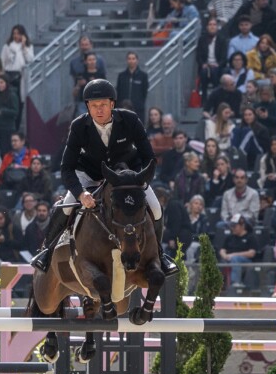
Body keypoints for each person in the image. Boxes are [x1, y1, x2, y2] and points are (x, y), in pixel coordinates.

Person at [30, 78, 175, 276]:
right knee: (66, 206)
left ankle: (160, 254)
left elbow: (149, 159)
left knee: (156, 208)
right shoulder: (79, 126)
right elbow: (66, 168)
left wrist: (139, 183)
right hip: (90, 175)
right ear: (88, 107)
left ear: (112, 104)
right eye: (94, 105)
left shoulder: (130, 120)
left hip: (128, 178)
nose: (99, 110)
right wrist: (81, 194)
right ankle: (46, 252)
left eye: (103, 105)